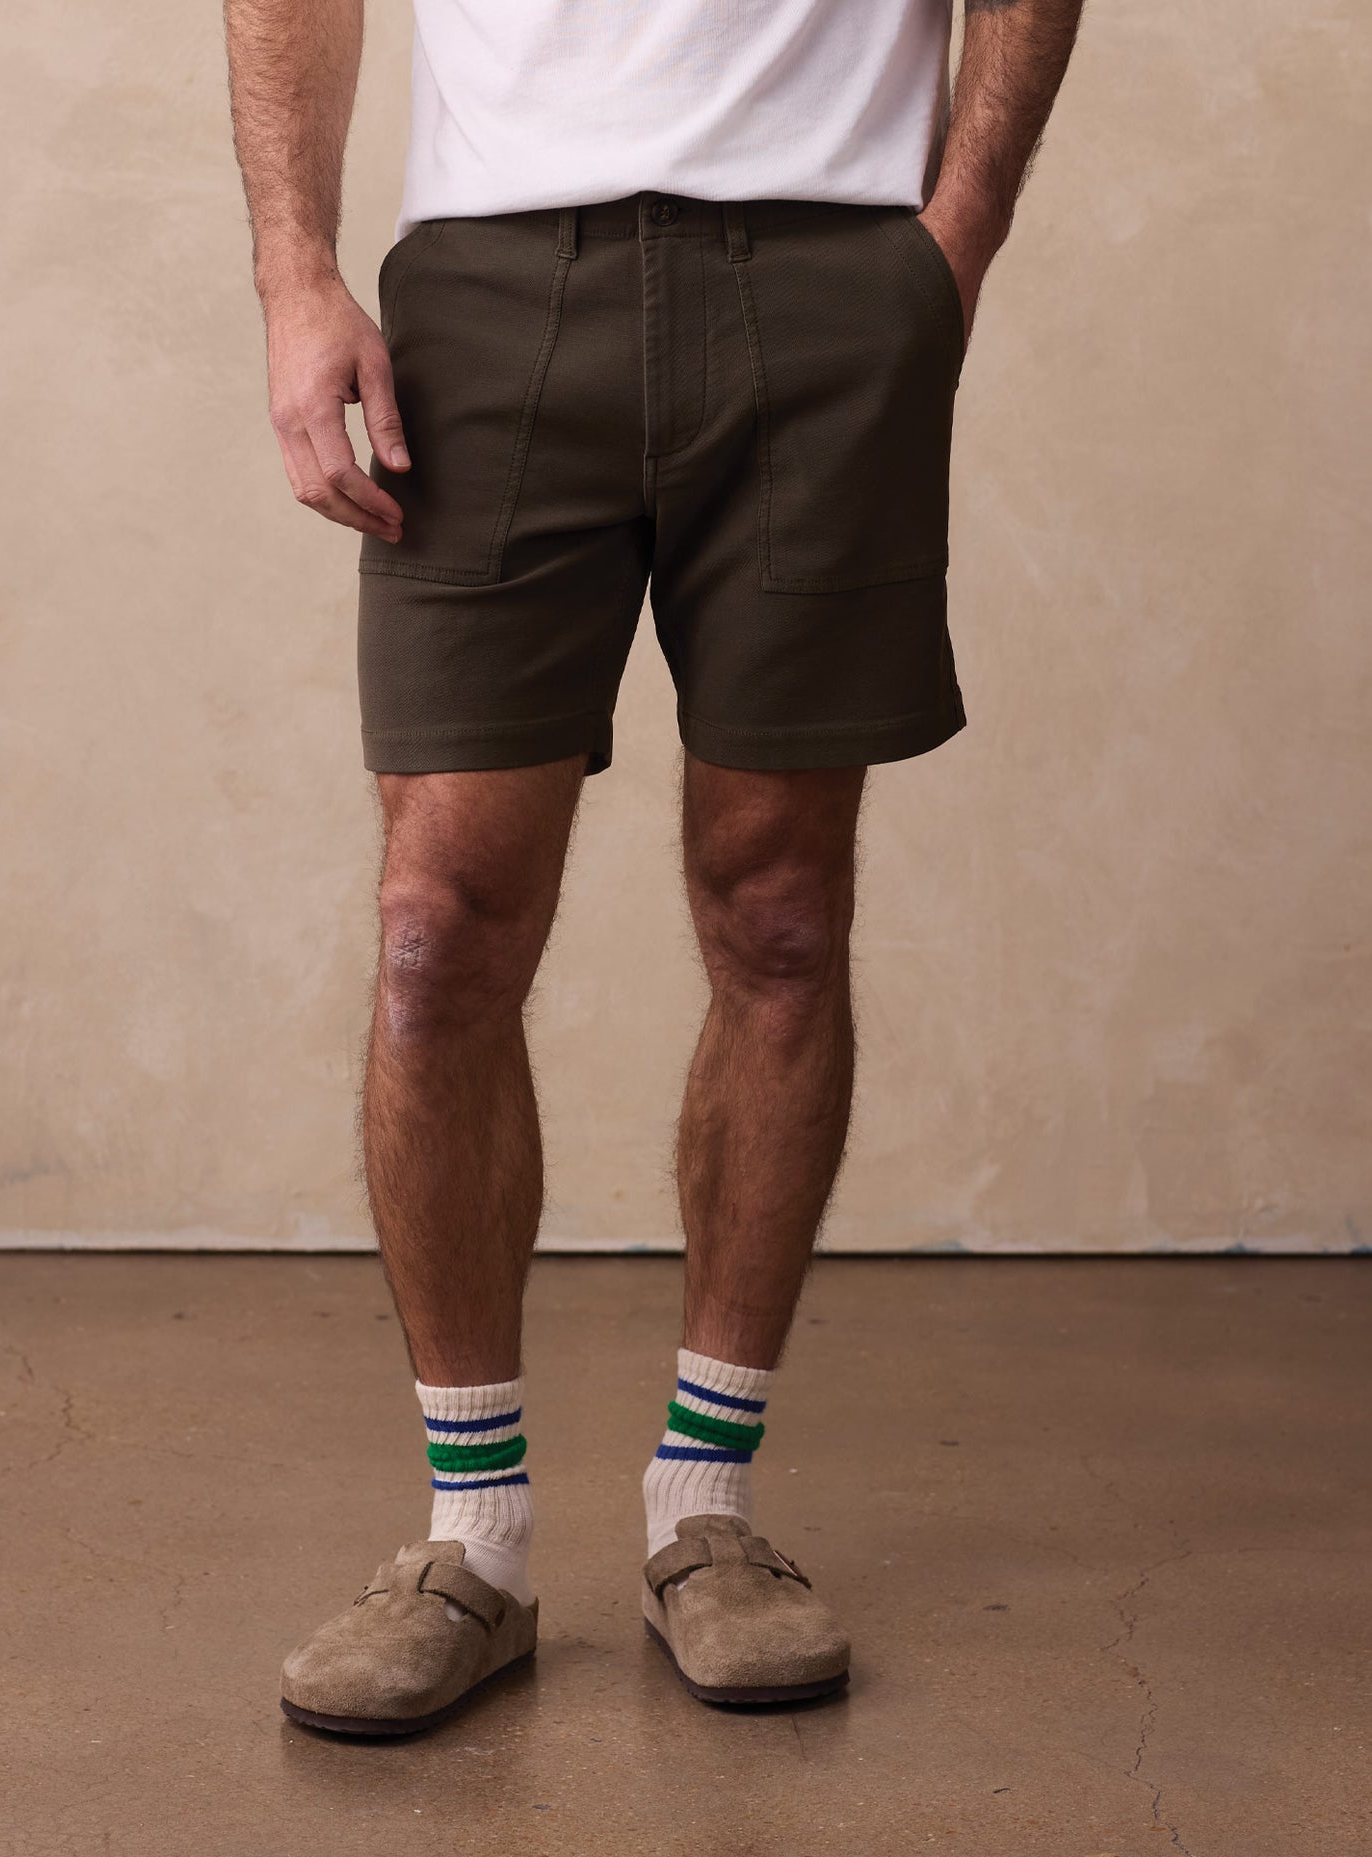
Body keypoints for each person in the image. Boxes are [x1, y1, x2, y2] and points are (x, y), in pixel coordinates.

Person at [225, 0, 1082, 1733]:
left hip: (832, 272)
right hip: (487, 283)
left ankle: (708, 1507)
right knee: (436, 928)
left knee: (780, 913)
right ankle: (471, 1539)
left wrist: (956, 235)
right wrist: (294, 271)